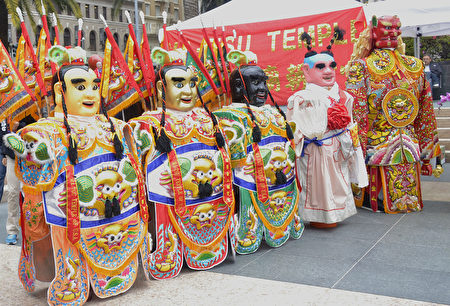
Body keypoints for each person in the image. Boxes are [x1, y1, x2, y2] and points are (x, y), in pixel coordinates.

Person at [4, 46, 149, 305]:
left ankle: (120, 270)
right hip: (73, 212)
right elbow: (37, 150)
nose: (91, 93)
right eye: (80, 87)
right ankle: (73, 280)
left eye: (94, 86)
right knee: (71, 241)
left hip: (114, 206)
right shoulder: (49, 129)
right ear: (61, 92)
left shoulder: (113, 124)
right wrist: (28, 149)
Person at [129, 47, 235, 279]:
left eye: (191, 83)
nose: (188, 91)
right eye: (179, 84)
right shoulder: (148, 124)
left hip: (209, 195)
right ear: (160, 88)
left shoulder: (208, 118)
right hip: (170, 200)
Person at [345, 15, 441, 214]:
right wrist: (427, 150)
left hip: (378, 144)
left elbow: (358, 113)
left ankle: (372, 198)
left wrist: (356, 150)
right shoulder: (415, 66)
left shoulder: (361, 66)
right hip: (409, 143)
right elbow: (426, 115)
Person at [214, 49, 304, 254]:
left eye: (264, 82)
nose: (262, 88)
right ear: (238, 86)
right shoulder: (228, 116)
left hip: (278, 175)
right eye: (255, 82)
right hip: (248, 180)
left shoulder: (274, 112)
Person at [286, 29, 368, 228]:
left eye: (332, 65)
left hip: (340, 147)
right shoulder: (299, 99)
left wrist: (354, 149)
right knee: (318, 186)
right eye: (320, 66)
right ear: (306, 71)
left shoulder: (345, 96)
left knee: (340, 181)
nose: (328, 71)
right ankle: (320, 217)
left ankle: (338, 213)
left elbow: (351, 125)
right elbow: (292, 130)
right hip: (315, 150)